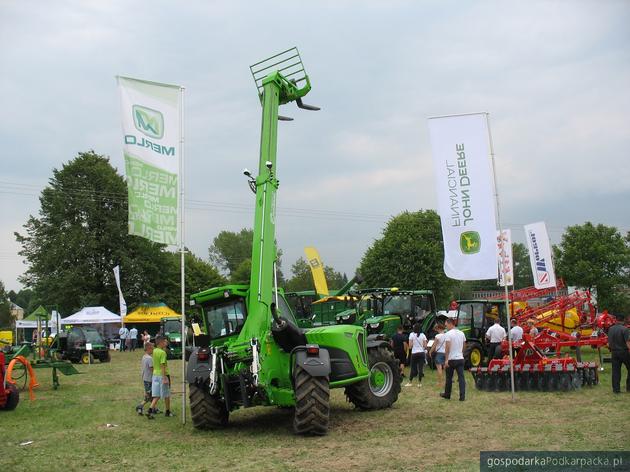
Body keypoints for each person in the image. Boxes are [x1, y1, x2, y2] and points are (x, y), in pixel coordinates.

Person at [147, 336, 174, 419]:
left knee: (157, 395)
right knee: (167, 394)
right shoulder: (163, 353)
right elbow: (163, 365)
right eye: (165, 342)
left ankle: (150, 410)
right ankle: (167, 411)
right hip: (163, 375)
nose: (166, 343)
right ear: (161, 343)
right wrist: (164, 377)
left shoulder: (155, 351)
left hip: (155, 375)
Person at [441, 317, 467, 401]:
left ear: (450, 324)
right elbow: (464, 345)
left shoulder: (448, 334)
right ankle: (462, 396)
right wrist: (461, 353)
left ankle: (447, 394)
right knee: (461, 378)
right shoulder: (461, 333)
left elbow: (447, 347)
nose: (445, 327)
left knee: (449, 378)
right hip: (460, 358)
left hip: (451, 358)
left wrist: (446, 359)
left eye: (446, 325)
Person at [607, 313, 630, 394]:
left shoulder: (611, 329)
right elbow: (628, 342)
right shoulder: (625, 329)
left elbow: (609, 343)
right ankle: (629, 387)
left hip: (614, 352)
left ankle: (616, 390)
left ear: (616, 319)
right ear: (623, 320)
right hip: (624, 352)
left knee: (616, 371)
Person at [136, 342, 154, 415]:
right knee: (150, 395)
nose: (153, 350)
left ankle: (154, 408)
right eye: (152, 348)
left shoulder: (144, 356)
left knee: (151, 395)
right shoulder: (149, 358)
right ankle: (140, 406)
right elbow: (152, 369)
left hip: (145, 378)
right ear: (149, 349)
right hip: (149, 379)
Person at [429, 323, 447, 388]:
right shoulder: (447, 335)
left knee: (439, 369)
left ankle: (440, 383)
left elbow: (434, 345)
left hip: (439, 353)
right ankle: (446, 382)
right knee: (445, 368)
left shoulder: (437, 336)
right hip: (446, 353)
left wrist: (430, 351)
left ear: (439, 329)